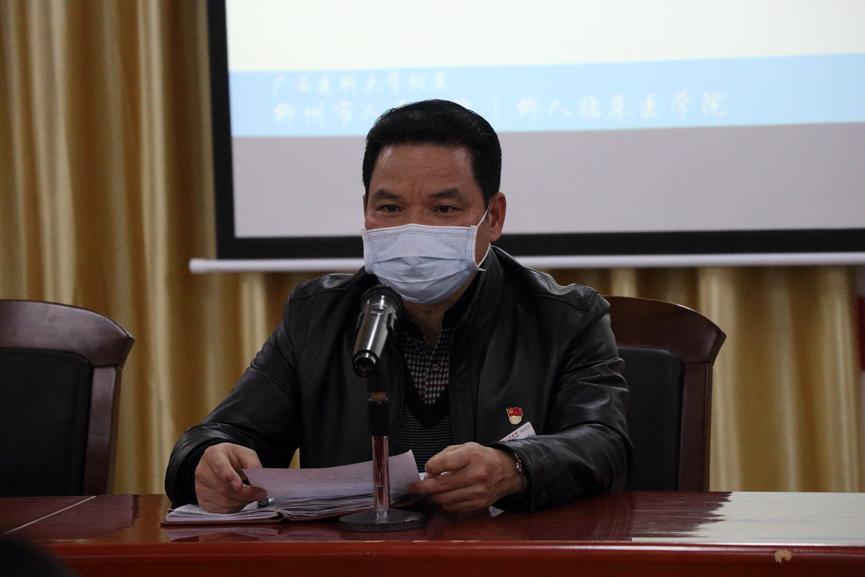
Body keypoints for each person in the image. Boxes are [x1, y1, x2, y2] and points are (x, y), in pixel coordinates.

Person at [165, 99, 631, 514]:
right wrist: (206, 462)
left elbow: (605, 444)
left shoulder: (564, 318)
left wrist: (515, 467)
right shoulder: (317, 316)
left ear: (493, 217)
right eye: (390, 209)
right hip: (356, 562)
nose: (412, 228)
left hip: (505, 561)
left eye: (443, 209)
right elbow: (224, 435)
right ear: (365, 211)